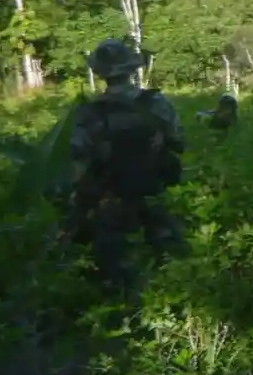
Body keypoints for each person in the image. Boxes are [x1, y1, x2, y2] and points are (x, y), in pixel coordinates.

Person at [66, 39, 187, 282]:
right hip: (155, 191)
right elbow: (179, 142)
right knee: (172, 259)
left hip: (111, 197)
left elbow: (78, 160)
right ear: (130, 69)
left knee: (114, 264)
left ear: (100, 73)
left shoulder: (90, 113)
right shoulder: (156, 104)